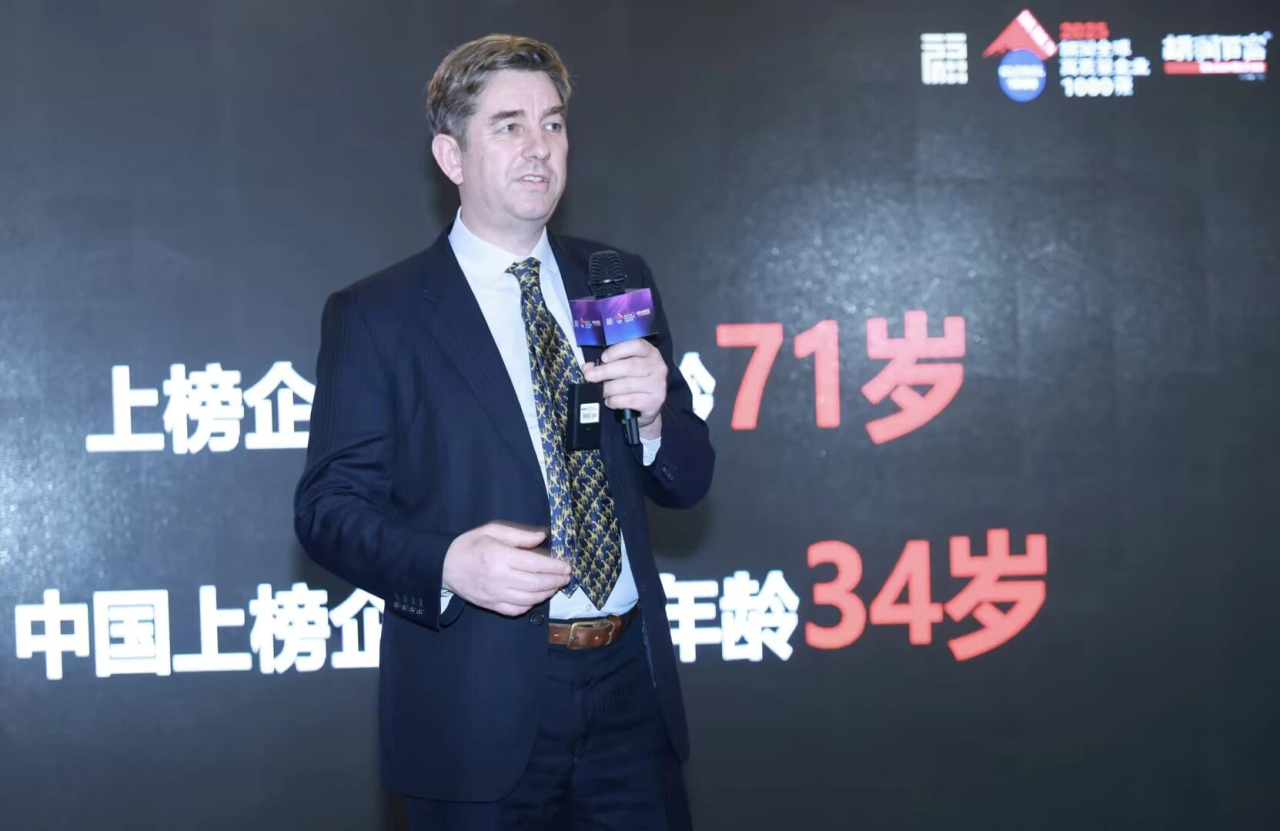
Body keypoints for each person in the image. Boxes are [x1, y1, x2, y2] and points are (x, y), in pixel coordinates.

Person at [293, 33, 714, 830]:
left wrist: (658, 417)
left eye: (553, 124)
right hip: (474, 701)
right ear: (450, 156)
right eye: (509, 125)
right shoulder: (380, 315)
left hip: (630, 691)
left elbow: (689, 479)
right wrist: (449, 564)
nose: (539, 147)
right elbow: (326, 510)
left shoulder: (614, 282)